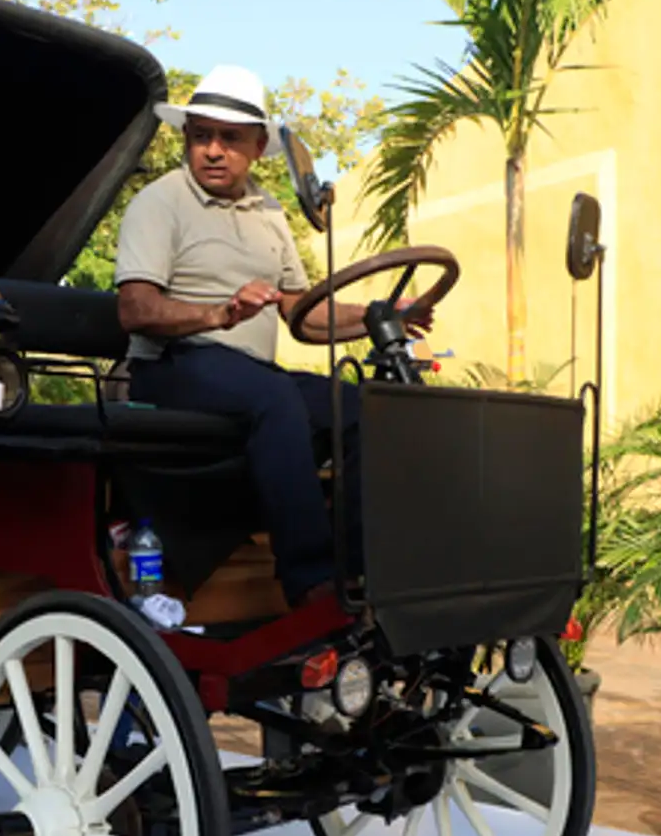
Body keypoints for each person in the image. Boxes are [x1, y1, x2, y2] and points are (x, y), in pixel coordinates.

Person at [113, 63, 430, 609]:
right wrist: (219, 314)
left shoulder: (270, 211)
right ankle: (311, 585)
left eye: (230, 139)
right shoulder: (160, 203)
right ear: (187, 140)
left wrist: (382, 313)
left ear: (258, 147)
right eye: (201, 136)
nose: (213, 150)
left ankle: (359, 576)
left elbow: (303, 317)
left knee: (362, 407)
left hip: (245, 376)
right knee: (275, 396)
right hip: (169, 366)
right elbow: (135, 310)